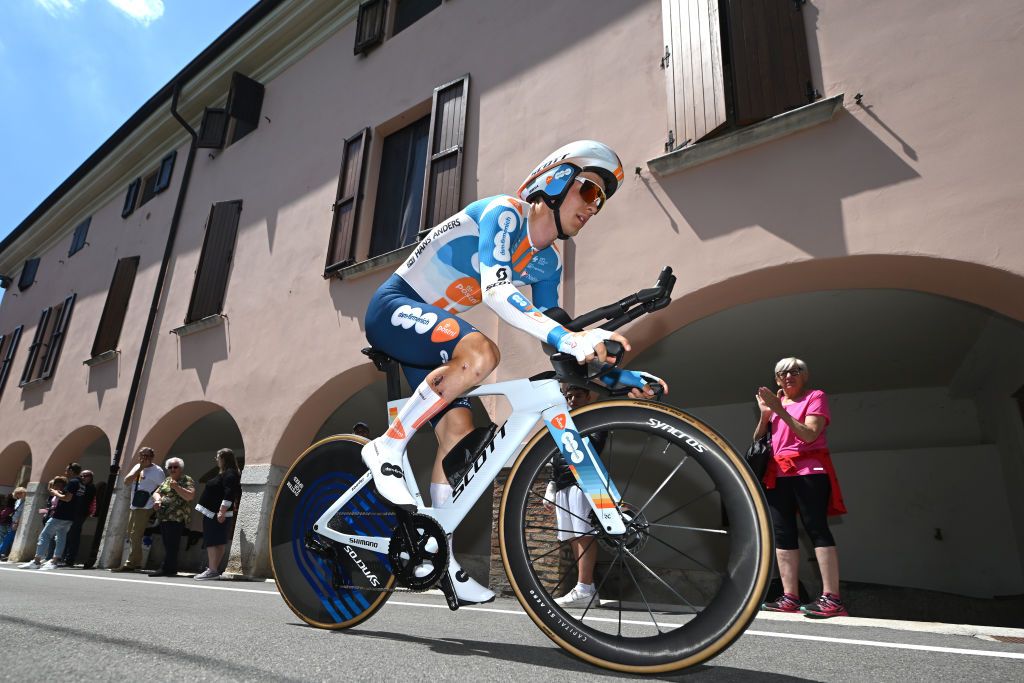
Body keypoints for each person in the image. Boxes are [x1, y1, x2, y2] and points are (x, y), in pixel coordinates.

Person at [360, 140, 663, 605]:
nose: (593, 208)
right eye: (588, 192)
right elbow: (498, 291)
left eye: (600, 201)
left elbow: (555, 333)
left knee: (457, 438)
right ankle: (387, 446)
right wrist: (569, 339)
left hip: (436, 342)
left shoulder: (546, 261)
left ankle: (441, 557)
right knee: (483, 353)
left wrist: (616, 376)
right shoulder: (506, 213)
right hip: (395, 307)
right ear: (556, 182)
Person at [755, 357, 848, 618]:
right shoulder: (776, 403)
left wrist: (779, 410)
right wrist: (765, 414)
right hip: (778, 474)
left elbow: (809, 434)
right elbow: (758, 440)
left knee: (816, 527)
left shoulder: (815, 396)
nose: (788, 377)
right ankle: (789, 596)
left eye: (795, 371)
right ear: (776, 380)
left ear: (804, 375)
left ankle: (832, 598)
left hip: (809, 471)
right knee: (783, 533)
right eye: (782, 374)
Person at [544, 385, 607, 607]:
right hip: (563, 482)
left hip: (585, 478)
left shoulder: (592, 417)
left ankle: (584, 587)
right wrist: (551, 485)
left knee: (585, 535)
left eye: (577, 395)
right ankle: (585, 588)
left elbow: (595, 445)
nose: (572, 399)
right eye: (568, 396)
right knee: (572, 535)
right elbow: (557, 453)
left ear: (588, 396)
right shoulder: (565, 420)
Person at [112, 447, 164, 572]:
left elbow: (163, 487)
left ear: (152, 457)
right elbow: (126, 481)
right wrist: (140, 468)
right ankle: (137, 561)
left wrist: (157, 501)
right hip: (134, 504)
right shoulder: (137, 467)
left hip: (147, 505)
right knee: (131, 533)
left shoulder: (157, 471)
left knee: (136, 534)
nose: (144, 458)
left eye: (147, 456)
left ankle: (130, 563)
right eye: (142, 455)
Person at [194, 448, 241, 580]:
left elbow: (229, 492)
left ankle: (212, 570)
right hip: (217, 513)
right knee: (218, 541)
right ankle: (214, 570)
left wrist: (222, 511)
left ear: (223, 459)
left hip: (216, 513)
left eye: (218, 457)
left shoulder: (229, 473)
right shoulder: (229, 473)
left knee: (213, 541)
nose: (216, 460)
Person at [150, 457, 196, 577]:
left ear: (180, 468)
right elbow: (156, 492)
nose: (172, 469)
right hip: (164, 516)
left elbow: (190, 496)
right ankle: (171, 568)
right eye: (170, 467)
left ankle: (165, 568)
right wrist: (158, 500)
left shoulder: (186, 479)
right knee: (168, 544)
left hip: (177, 518)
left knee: (172, 544)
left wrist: (177, 487)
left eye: (175, 467)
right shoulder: (167, 480)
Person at [19, 475, 76, 570]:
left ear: (58, 485)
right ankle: (54, 561)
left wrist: (55, 493)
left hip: (58, 517)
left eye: (54, 485)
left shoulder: (61, 493)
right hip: (68, 519)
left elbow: (63, 501)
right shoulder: (67, 492)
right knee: (61, 538)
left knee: (45, 535)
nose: (53, 488)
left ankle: (36, 561)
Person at [62, 464, 96, 567]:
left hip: (80, 515)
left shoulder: (91, 487)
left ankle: (69, 559)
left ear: (91, 478)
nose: (83, 477)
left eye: (86, 476)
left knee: (73, 536)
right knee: (67, 535)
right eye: (82, 475)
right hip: (73, 513)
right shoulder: (80, 484)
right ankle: (64, 557)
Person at [0, 487, 27, 560]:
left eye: (18, 495)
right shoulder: (18, 501)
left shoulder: (26, 501)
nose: (17, 497)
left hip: (16, 522)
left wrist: (16, 522)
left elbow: (21, 513)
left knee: (8, 537)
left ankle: (2, 552)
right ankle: (3, 552)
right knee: (8, 537)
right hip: (14, 521)